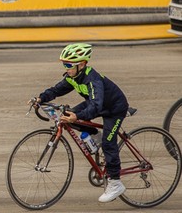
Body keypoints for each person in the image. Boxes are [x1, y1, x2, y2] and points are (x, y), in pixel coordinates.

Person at [31, 43, 129, 203]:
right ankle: (96, 137)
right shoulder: (73, 77)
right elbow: (56, 90)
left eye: (69, 65)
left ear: (81, 64)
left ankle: (115, 183)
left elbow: (96, 106)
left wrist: (77, 116)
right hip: (96, 104)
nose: (66, 68)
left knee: (108, 142)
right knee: (68, 117)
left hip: (114, 109)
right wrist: (40, 98)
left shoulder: (93, 80)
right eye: (64, 64)